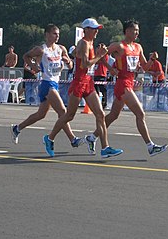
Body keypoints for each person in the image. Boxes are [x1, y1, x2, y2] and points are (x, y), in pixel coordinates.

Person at [43, 18, 123, 158]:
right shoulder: (84, 43)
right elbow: (85, 64)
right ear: (86, 30)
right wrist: (98, 55)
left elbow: (91, 59)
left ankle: (105, 148)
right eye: (94, 29)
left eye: (97, 29)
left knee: (100, 114)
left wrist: (108, 66)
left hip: (88, 81)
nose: (96, 31)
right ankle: (49, 138)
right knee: (69, 115)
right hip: (79, 82)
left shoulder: (90, 43)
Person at [86, 20, 168, 157]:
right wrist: (111, 68)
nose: (137, 32)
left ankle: (92, 137)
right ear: (127, 31)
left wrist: (152, 60)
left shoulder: (138, 47)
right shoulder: (119, 46)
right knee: (140, 114)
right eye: (134, 30)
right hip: (122, 84)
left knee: (113, 116)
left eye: (138, 30)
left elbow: (144, 68)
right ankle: (150, 146)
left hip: (130, 82)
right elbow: (100, 56)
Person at [10, 23, 84, 149]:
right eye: (54, 34)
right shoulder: (41, 50)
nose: (57, 36)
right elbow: (26, 56)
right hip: (46, 83)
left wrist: (69, 62)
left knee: (41, 114)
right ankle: (72, 139)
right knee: (62, 111)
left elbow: (71, 65)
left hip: (55, 83)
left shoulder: (61, 49)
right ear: (47, 34)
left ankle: (17, 128)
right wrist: (33, 66)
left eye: (58, 34)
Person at [94, 43, 109, 109]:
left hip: (102, 74)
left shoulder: (104, 55)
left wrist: (102, 51)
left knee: (103, 89)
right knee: (95, 89)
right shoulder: (95, 55)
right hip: (95, 74)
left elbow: (101, 60)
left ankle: (104, 102)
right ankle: (97, 102)